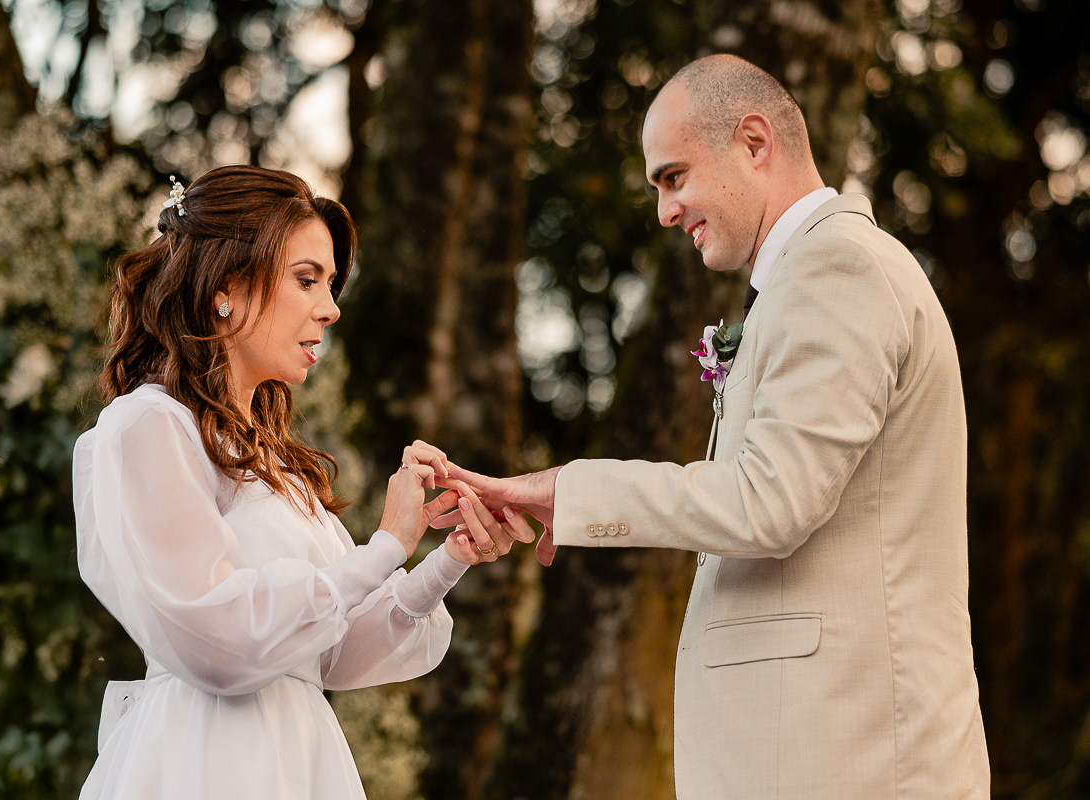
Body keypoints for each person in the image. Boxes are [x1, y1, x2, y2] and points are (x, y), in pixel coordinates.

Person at [441, 55, 991, 798]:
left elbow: (769, 502)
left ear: (754, 143)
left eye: (674, 177)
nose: (665, 212)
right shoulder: (813, 275)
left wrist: (572, 491)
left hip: (849, 760)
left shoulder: (837, 268)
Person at [73, 165, 534, 799]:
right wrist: (384, 547)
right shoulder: (148, 425)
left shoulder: (276, 464)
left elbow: (330, 656)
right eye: (307, 279)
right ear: (228, 286)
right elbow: (216, 644)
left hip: (302, 761)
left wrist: (443, 558)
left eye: (329, 284)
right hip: (209, 757)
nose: (332, 308)